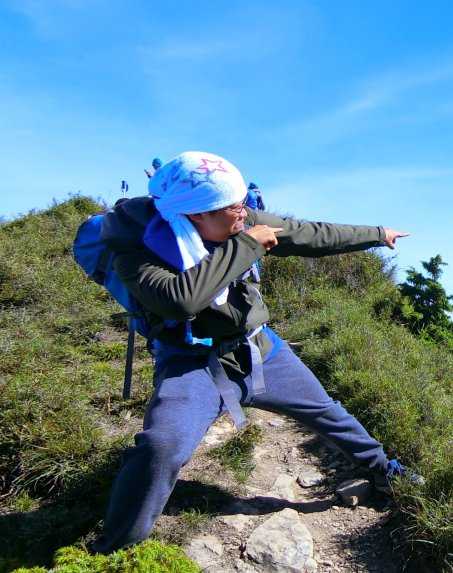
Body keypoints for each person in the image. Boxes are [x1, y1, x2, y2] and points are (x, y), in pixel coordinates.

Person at [91, 151, 420, 553]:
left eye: (243, 201)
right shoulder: (135, 248)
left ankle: (387, 472)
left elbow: (308, 233)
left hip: (259, 348)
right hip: (191, 363)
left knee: (327, 412)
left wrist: (376, 233)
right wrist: (247, 245)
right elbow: (181, 300)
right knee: (161, 446)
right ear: (196, 215)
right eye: (232, 207)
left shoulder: (240, 221)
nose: (244, 213)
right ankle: (116, 544)